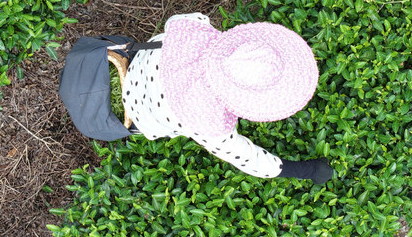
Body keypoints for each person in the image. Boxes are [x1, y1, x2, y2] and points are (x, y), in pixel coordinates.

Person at [120, 13, 333, 183]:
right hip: (139, 111)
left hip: (140, 58)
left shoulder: (195, 30)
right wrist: (309, 170)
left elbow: (174, 21)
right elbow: (249, 159)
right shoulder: (210, 120)